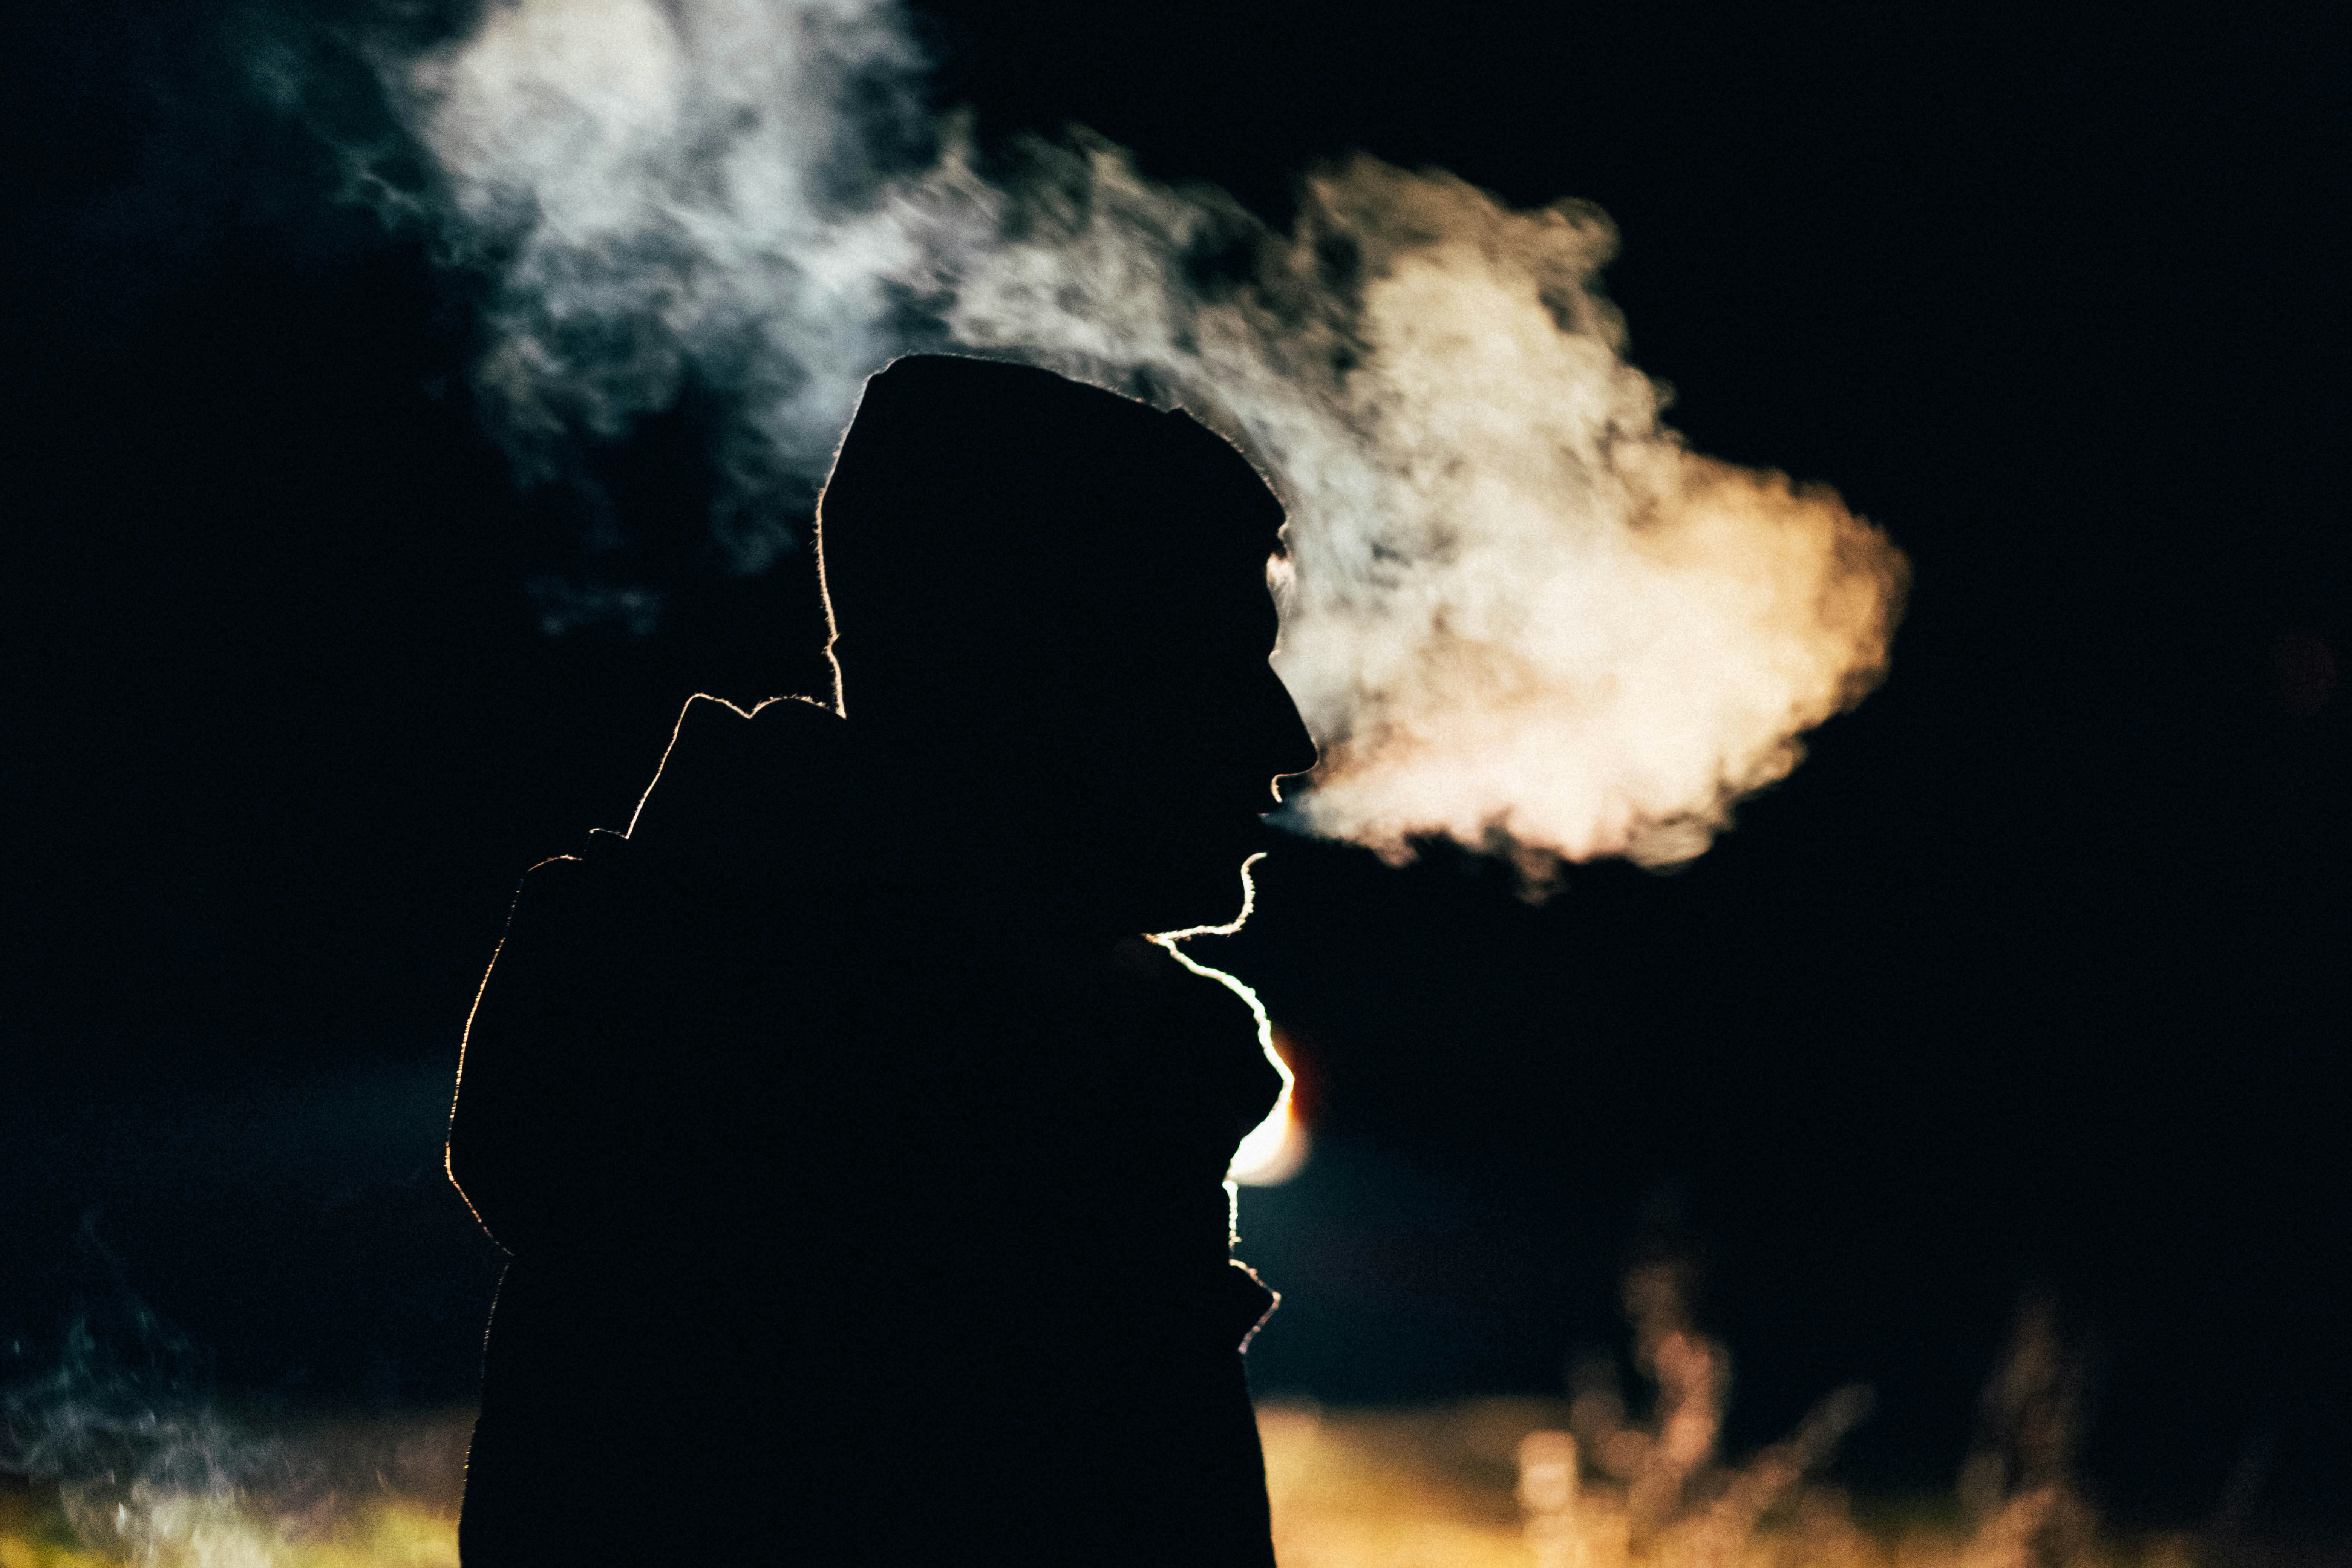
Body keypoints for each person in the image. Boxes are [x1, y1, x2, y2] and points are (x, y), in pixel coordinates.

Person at [445, 355, 1318, 1566]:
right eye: (1220, 664)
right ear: (1044, 681)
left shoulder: (746, 1053)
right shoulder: (947, 1131)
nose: (1289, 741)